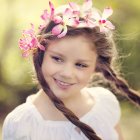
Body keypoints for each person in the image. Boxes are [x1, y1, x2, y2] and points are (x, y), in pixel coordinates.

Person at [2, 0, 140, 140]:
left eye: (80, 65)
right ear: (40, 54)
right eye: (57, 59)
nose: (67, 73)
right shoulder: (21, 125)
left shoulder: (106, 104)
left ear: (96, 66)